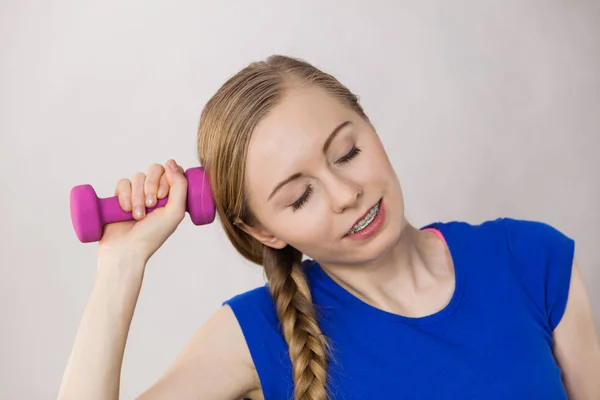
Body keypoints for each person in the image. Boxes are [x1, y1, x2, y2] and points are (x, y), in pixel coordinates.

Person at [57, 55, 600, 400]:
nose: (346, 195)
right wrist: (120, 267)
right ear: (264, 231)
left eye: (347, 152)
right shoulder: (257, 333)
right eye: (299, 197)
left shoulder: (532, 258)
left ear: (371, 127)